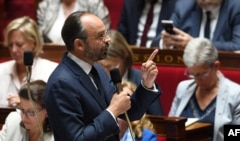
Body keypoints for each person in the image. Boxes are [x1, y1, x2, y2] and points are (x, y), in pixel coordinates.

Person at [45, 11, 161, 141]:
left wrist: (146, 83)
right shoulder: (61, 84)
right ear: (79, 44)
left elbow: (129, 112)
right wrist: (112, 111)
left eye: (105, 33)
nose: (108, 39)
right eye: (100, 36)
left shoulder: (97, 70)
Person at [168, 38, 240, 141]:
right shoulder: (183, 88)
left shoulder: (236, 94)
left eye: (201, 74)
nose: (197, 80)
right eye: (192, 74)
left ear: (216, 66)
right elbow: (170, 128)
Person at [98, 29, 164, 115]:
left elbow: (157, 117)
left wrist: (147, 85)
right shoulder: (96, 78)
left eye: (111, 67)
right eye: (101, 67)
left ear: (124, 57)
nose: (106, 72)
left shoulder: (143, 80)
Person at [0, 16, 58, 107]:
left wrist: (26, 103)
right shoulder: (1, 70)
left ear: (34, 44)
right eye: (10, 45)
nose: (14, 50)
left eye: (19, 44)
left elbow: (57, 107)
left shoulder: (52, 71)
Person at [152, 0, 240, 51]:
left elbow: (239, 47)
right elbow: (156, 42)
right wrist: (166, 42)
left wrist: (194, 44)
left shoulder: (239, 6)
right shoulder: (184, 5)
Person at [37, 0, 110, 45]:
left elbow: (104, 33)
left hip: (87, 57)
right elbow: (40, 36)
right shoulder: (46, 5)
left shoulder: (94, 3)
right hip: (51, 57)